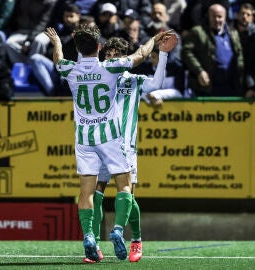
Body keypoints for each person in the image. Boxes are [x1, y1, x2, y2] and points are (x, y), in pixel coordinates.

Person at [45, 24, 173, 262]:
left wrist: (57, 43)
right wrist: (154, 40)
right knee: (123, 187)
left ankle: (90, 237)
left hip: (84, 139)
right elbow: (141, 54)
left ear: (79, 47)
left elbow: (58, 60)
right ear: (100, 48)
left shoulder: (71, 69)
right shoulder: (109, 68)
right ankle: (117, 231)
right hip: (110, 137)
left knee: (86, 192)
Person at [83, 34, 178, 264]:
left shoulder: (132, 80)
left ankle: (135, 238)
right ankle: (94, 243)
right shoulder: (99, 78)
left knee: (128, 194)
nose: (110, 58)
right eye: (108, 54)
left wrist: (163, 54)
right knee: (96, 192)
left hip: (125, 145)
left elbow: (156, 84)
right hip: (102, 142)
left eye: (115, 55)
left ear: (125, 58)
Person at [181, 2, 244, 97]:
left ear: (225, 17)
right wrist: (199, 71)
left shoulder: (234, 34)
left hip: (231, 87)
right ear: (208, 16)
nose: (216, 19)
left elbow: (239, 55)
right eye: (213, 16)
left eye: (219, 16)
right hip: (207, 88)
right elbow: (186, 52)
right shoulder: (198, 32)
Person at [233, 3, 255, 98]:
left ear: (252, 18)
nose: (244, 17)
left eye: (248, 15)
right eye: (242, 13)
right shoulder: (229, 31)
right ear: (237, 15)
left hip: (249, 76)